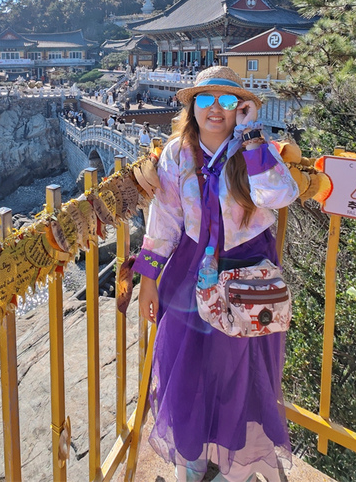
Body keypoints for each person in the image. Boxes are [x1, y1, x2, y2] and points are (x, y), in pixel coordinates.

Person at [134, 66, 299, 482]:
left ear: (240, 108)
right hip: (191, 270)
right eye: (206, 99)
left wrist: (252, 136)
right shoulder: (176, 154)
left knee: (240, 371)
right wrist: (149, 279)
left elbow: (279, 195)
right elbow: (165, 220)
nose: (216, 109)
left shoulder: (254, 150)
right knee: (186, 364)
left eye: (228, 101)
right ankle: (191, 460)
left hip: (247, 273)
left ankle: (237, 468)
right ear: (192, 106)